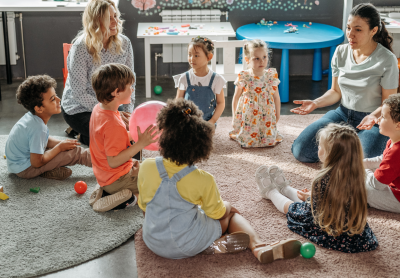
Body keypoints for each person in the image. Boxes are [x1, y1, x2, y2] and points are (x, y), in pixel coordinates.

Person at [138, 98, 301, 263]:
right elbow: (217, 213)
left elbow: (144, 206)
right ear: (200, 145)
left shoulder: (146, 166)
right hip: (187, 243)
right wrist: (228, 206)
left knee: (187, 212)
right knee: (230, 216)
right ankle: (259, 246)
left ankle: (207, 244)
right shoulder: (203, 179)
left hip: (153, 241)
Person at [291, 3, 399, 163]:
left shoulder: (386, 59)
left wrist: (372, 116)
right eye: (348, 28)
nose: (350, 34)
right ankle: (348, 146)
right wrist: (315, 103)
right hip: (342, 113)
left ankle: (347, 147)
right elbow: (335, 92)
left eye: (358, 29)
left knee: (365, 162)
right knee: (301, 151)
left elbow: (388, 103)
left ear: (373, 31)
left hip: (372, 120)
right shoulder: (340, 52)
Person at [256, 123, 378, 253]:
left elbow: (316, 210)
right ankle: (285, 188)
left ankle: (270, 192)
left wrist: (312, 198)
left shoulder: (323, 179)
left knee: (294, 208)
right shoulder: (359, 173)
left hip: (332, 228)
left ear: (330, 152)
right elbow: (337, 199)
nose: (318, 148)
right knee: (306, 201)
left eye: (320, 146)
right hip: (354, 230)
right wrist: (312, 197)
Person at [61, 0, 135, 146]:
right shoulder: (81, 47)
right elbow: (79, 93)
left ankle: (85, 135)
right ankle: (82, 133)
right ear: (96, 22)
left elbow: (130, 83)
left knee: (127, 136)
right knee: (112, 136)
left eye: (116, 16)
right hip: (79, 108)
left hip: (111, 103)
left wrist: (128, 114)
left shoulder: (125, 43)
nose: (116, 22)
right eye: (110, 18)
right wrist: (111, 112)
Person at [88, 64, 159, 212]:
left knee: (152, 167)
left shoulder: (99, 109)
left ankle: (105, 190)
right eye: (129, 86)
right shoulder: (113, 124)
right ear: (116, 93)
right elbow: (113, 161)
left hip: (105, 174)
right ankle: (128, 197)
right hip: (117, 178)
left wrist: (133, 135)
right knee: (158, 187)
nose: (132, 89)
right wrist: (140, 144)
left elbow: (110, 141)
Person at [5, 75, 91, 180]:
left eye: (56, 95)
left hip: (18, 164)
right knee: (75, 153)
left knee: (66, 148)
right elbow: (36, 162)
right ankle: (106, 164)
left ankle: (49, 170)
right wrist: (59, 147)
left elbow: (44, 140)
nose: (59, 99)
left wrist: (61, 144)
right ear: (39, 108)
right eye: (52, 99)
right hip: (26, 169)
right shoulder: (38, 128)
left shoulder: (33, 117)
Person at [229, 39, 282, 148]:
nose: (262, 61)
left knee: (267, 138)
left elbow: (276, 97)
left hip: (266, 115)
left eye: (264, 57)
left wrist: (277, 114)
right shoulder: (244, 76)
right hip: (249, 115)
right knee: (248, 138)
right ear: (247, 59)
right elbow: (236, 97)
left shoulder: (271, 76)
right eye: (257, 58)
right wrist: (235, 116)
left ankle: (264, 136)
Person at [174, 36, 226, 125]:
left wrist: (212, 121)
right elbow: (178, 101)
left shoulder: (216, 79)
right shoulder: (184, 78)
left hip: (207, 123)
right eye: (189, 54)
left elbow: (221, 103)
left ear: (209, 57)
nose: (192, 58)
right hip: (187, 122)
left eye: (196, 55)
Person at [364, 94, 400, 213]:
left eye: (383, 117)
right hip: (394, 186)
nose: (378, 120)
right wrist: (362, 163)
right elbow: (383, 159)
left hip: (398, 197)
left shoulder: (397, 151)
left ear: (398, 125)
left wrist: (363, 171)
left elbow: (376, 184)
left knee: (363, 190)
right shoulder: (393, 141)